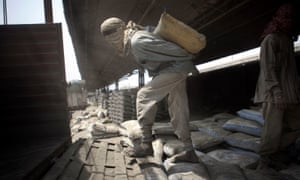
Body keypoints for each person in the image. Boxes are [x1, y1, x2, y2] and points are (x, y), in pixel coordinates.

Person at [100, 17, 199, 162]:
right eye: (108, 38)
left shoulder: (137, 41)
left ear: (121, 29)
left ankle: (146, 143)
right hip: (174, 69)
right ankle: (190, 151)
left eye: (112, 35)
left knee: (143, 96)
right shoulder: (136, 37)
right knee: (178, 107)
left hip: (176, 68)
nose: (112, 41)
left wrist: (189, 56)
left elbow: (174, 50)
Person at [254, 3, 300, 168]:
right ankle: (265, 160)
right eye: (287, 18)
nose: (290, 22)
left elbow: (291, 72)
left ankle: (275, 152)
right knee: (272, 131)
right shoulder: (270, 39)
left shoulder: (287, 41)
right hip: (274, 95)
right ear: (279, 19)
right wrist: (277, 93)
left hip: (290, 94)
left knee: (296, 125)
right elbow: (268, 69)